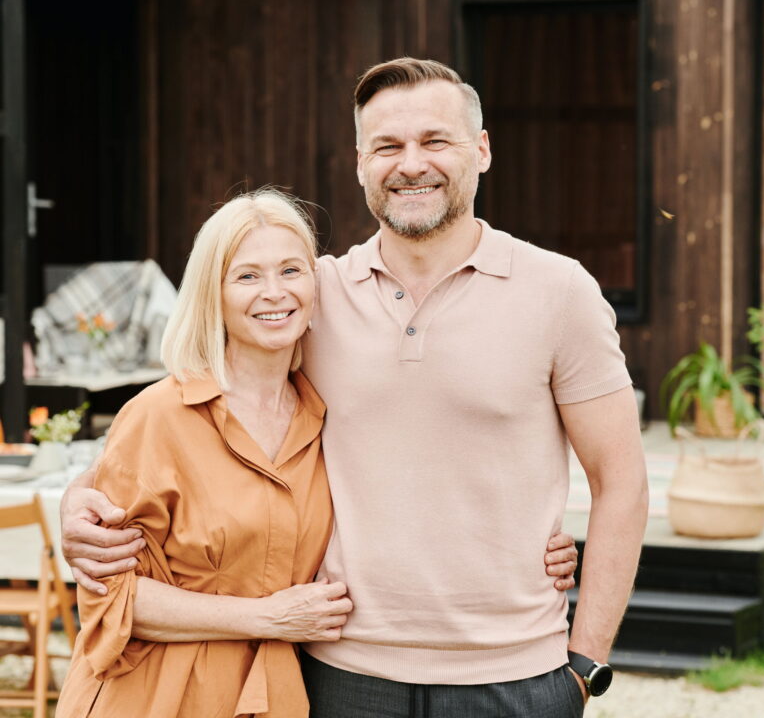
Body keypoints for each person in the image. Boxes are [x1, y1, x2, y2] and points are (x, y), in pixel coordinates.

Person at [62, 58, 646, 717]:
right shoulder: (313, 296)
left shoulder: (559, 292)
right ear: (360, 163)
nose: (411, 163)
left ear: (480, 150)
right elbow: (190, 410)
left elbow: (621, 482)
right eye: (387, 146)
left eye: (435, 141)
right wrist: (78, 504)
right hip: (342, 673)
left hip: (516, 674)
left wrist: (586, 662)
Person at [55, 189, 354, 717]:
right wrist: (267, 618)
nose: (274, 293)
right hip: (157, 697)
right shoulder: (159, 415)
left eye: (291, 270)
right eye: (246, 276)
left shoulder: (328, 416)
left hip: (275, 695)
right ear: (212, 294)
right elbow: (114, 599)